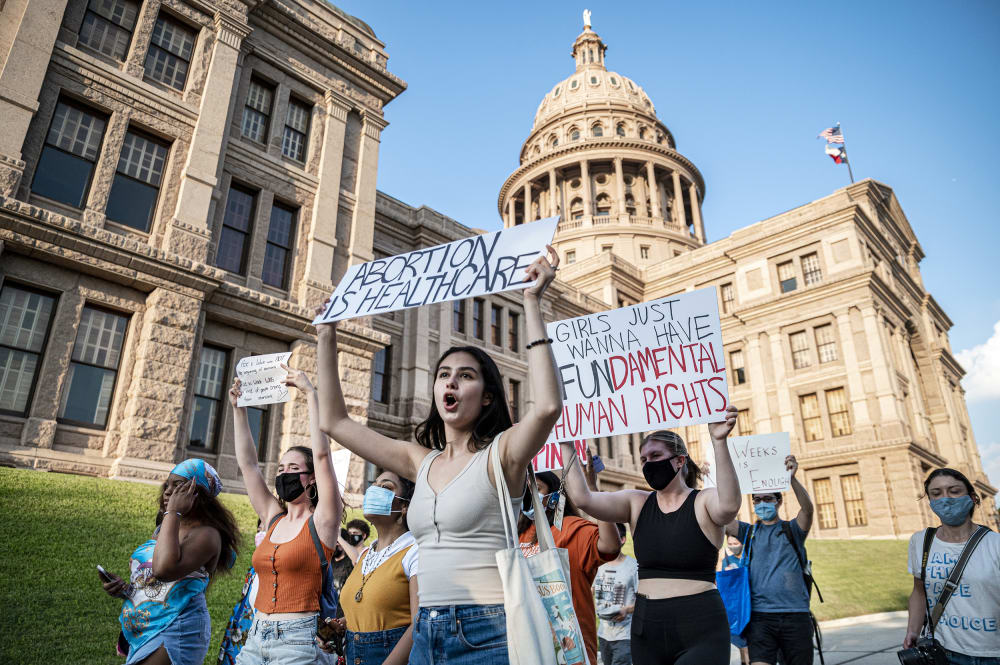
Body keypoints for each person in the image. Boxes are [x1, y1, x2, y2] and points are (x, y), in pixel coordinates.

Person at [316, 245, 561, 664]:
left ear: (485, 397)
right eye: (444, 375)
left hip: (488, 628)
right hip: (427, 627)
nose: (451, 382)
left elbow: (548, 408)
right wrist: (326, 335)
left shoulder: (502, 455)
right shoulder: (419, 460)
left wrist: (532, 304)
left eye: (465, 376)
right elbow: (336, 422)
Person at [557, 417, 741, 665]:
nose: (648, 464)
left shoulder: (703, 500)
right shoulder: (637, 502)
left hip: (699, 625)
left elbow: (729, 506)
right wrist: (566, 442)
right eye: (643, 459)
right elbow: (583, 499)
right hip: (647, 626)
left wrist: (719, 440)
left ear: (679, 460)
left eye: (655, 456)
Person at [229, 365, 342, 665]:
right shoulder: (273, 517)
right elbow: (249, 465)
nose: (284, 474)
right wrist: (239, 410)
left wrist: (310, 393)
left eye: (293, 469)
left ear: (312, 478)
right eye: (281, 469)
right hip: (256, 634)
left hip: (296, 639)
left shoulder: (322, 521)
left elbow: (321, 456)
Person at [101, 458, 240, 665]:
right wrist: (127, 590)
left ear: (198, 494)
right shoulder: (164, 528)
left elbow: (164, 569)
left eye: (179, 486)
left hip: (178, 627)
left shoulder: (207, 535)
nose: (168, 491)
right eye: (168, 484)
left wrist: (173, 512)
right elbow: (158, 583)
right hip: (150, 624)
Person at [517, 469, 621, 665]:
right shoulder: (519, 534)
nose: (530, 495)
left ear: (555, 495)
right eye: (525, 489)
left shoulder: (572, 528)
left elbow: (610, 546)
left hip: (570, 645)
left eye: (537, 488)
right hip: (530, 641)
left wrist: (594, 493)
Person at [724, 455, 815, 665]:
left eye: (767, 499)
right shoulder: (748, 532)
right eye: (757, 500)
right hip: (760, 617)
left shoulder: (792, 530)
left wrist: (792, 478)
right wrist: (710, 483)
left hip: (795, 615)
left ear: (779, 501)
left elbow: (808, 510)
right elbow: (721, 517)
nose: (761, 504)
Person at [903, 468, 1000, 664]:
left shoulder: (995, 544)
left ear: (972, 498)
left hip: (993, 654)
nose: (945, 499)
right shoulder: (920, 541)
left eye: (954, 491)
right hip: (943, 652)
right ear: (930, 501)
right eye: (936, 493)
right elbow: (919, 591)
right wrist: (912, 629)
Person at [334, 470, 419, 665]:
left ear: (404, 506)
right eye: (374, 485)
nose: (374, 491)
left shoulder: (415, 551)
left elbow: (419, 624)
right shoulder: (365, 554)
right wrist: (341, 625)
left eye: (386, 487)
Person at [218, 523, 267, 665]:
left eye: (265, 529)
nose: (260, 533)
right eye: (259, 529)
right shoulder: (254, 568)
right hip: (241, 623)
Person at [592, 523, 638, 665]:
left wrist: (626, 610)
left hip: (624, 636)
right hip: (603, 634)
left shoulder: (633, 567)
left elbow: (644, 600)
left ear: (622, 540)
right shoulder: (597, 565)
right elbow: (590, 591)